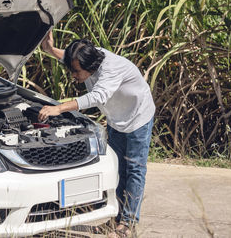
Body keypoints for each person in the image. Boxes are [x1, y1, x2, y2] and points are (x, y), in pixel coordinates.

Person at [38, 31, 155, 237]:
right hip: (116, 118)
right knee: (119, 168)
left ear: (90, 67)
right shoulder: (87, 57)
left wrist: (60, 108)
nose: (74, 75)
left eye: (76, 71)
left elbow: (97, 96)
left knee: (135, 169)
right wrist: (49, 49)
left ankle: (128, 223)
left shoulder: (112, 68)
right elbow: (69, 57)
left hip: (138, 117)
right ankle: (116, 218)